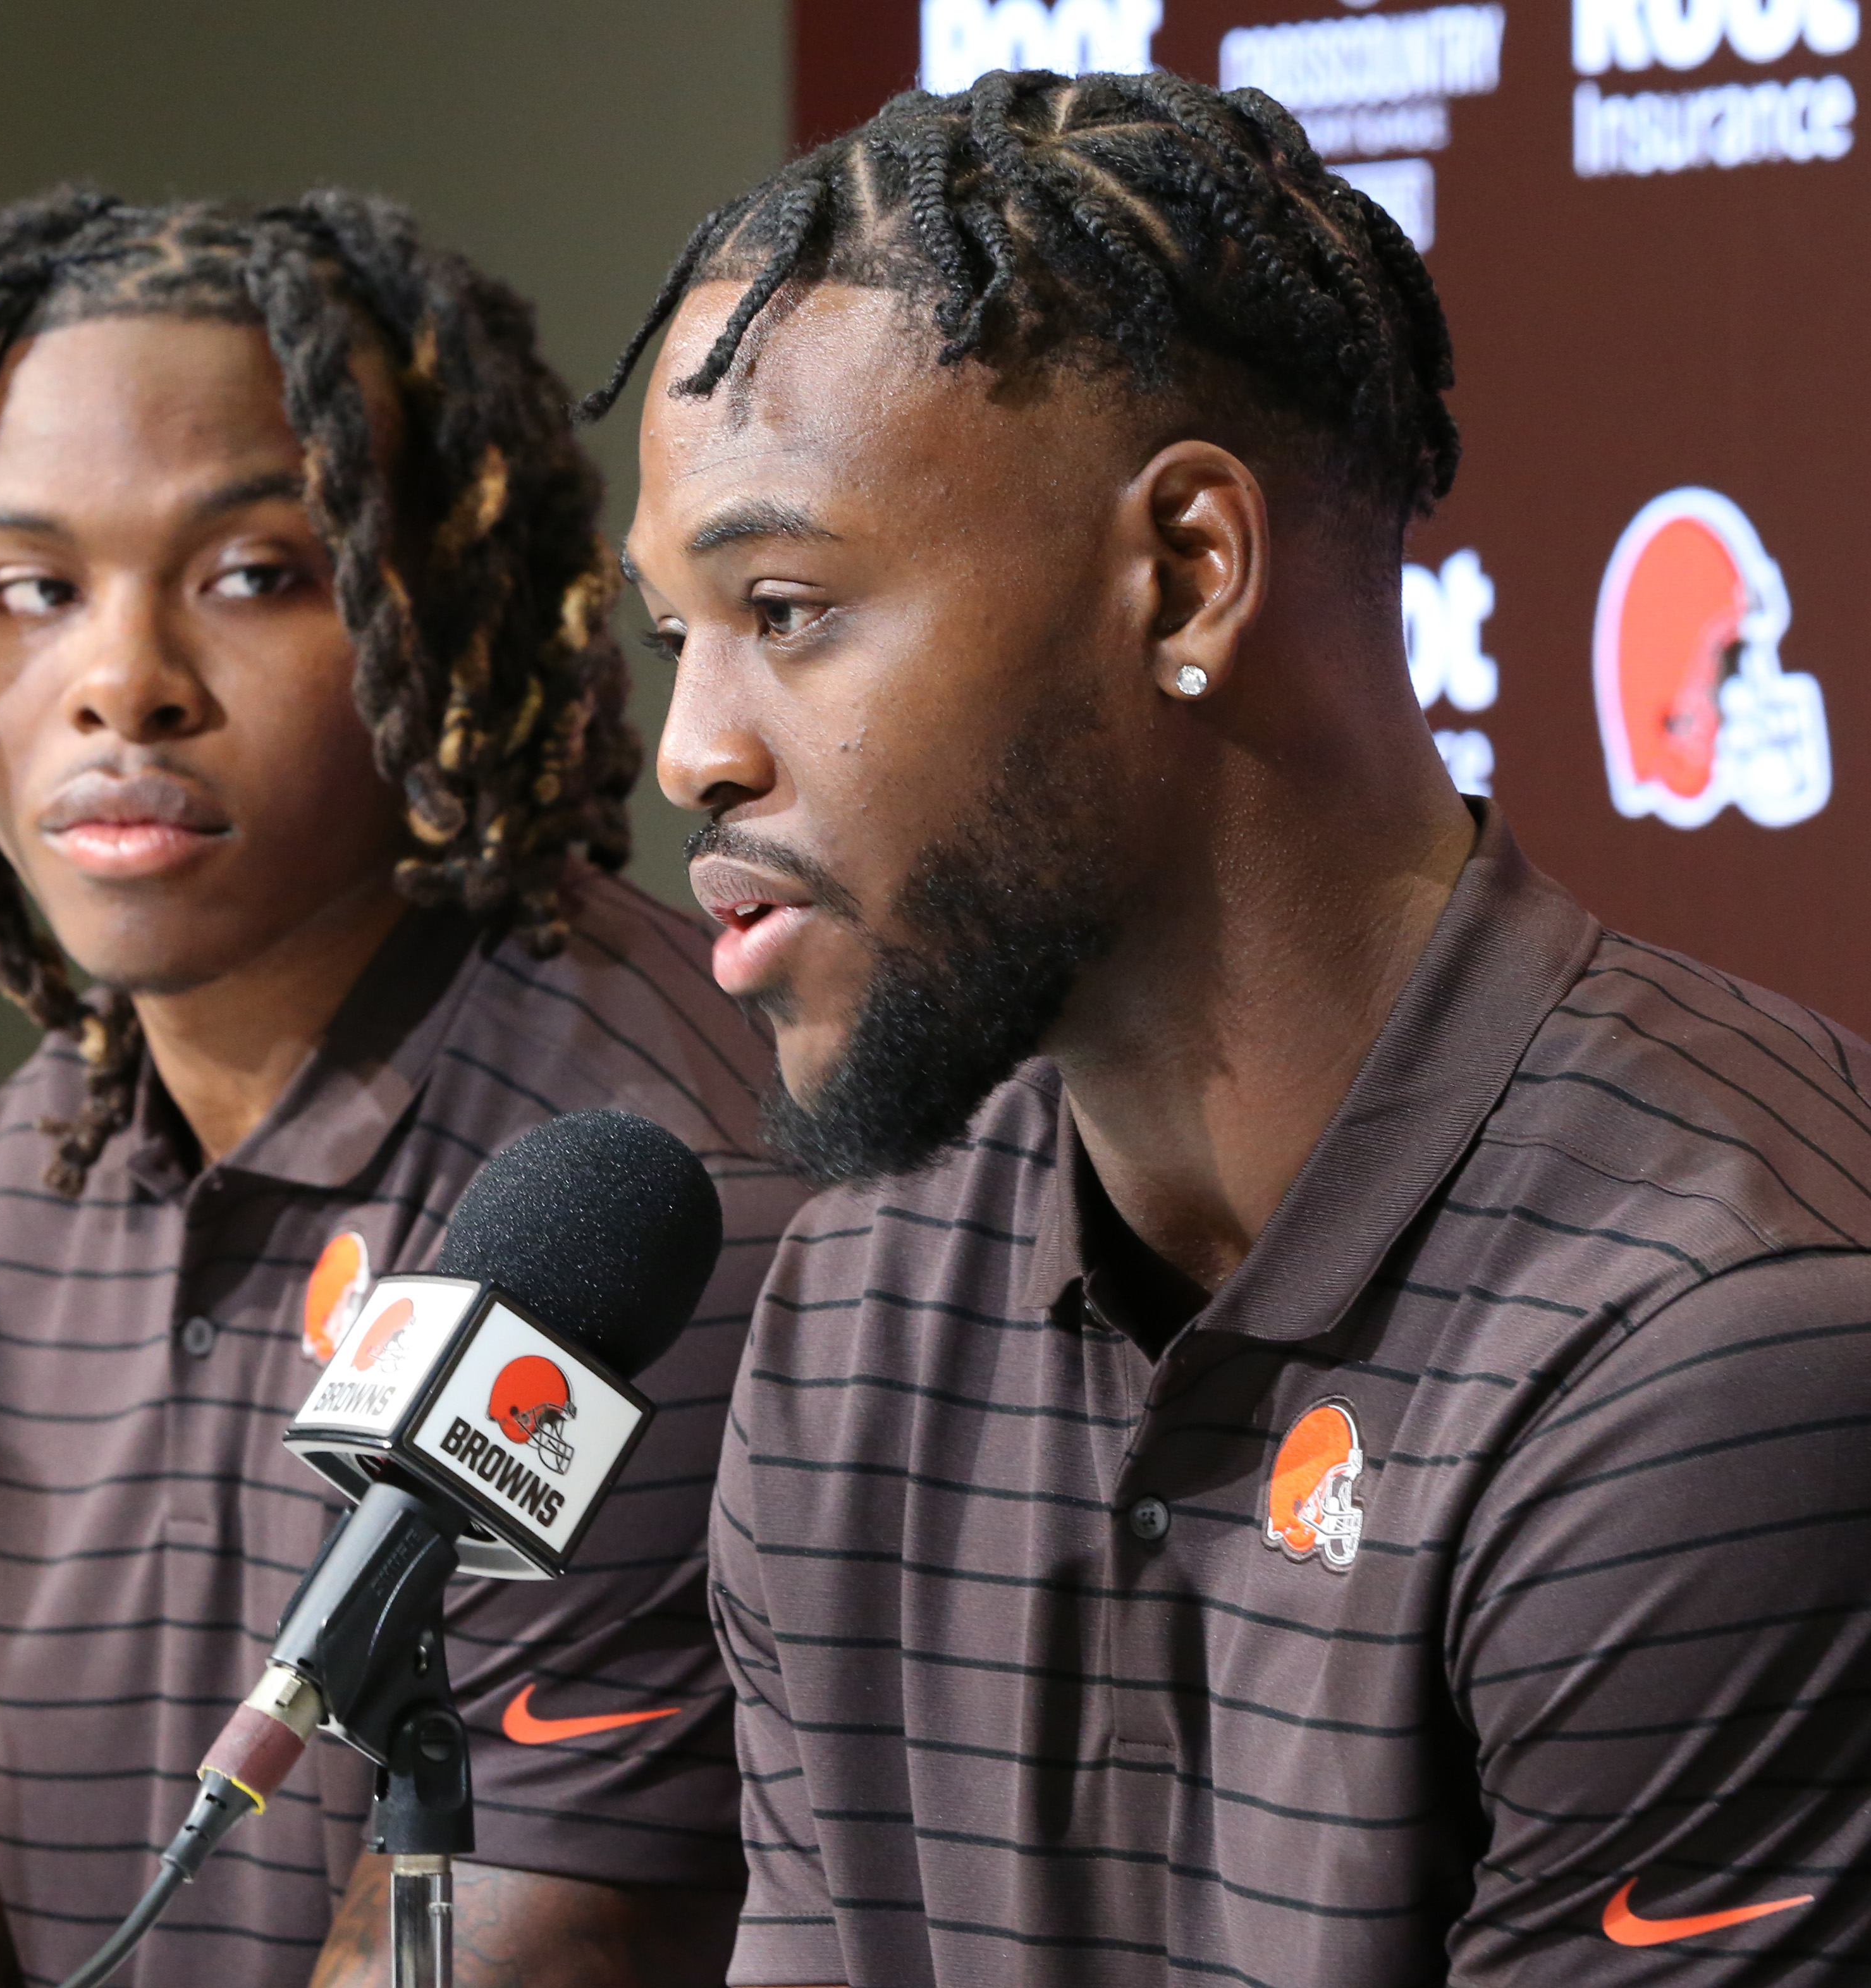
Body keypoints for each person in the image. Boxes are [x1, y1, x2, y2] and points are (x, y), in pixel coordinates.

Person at [595, 68, 1871, 1985]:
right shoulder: (857, 1305)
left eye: (785, 607)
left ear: (1186, 570)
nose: (693, 749)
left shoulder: (1723, 1345)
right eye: (668, 636)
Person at [0, 189, 810, 1988]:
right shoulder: (3, 1196)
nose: (120, 684)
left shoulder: (647, 1203)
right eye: (30, 590)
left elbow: (522, 1938)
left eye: (252, 576)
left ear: (433, 604)